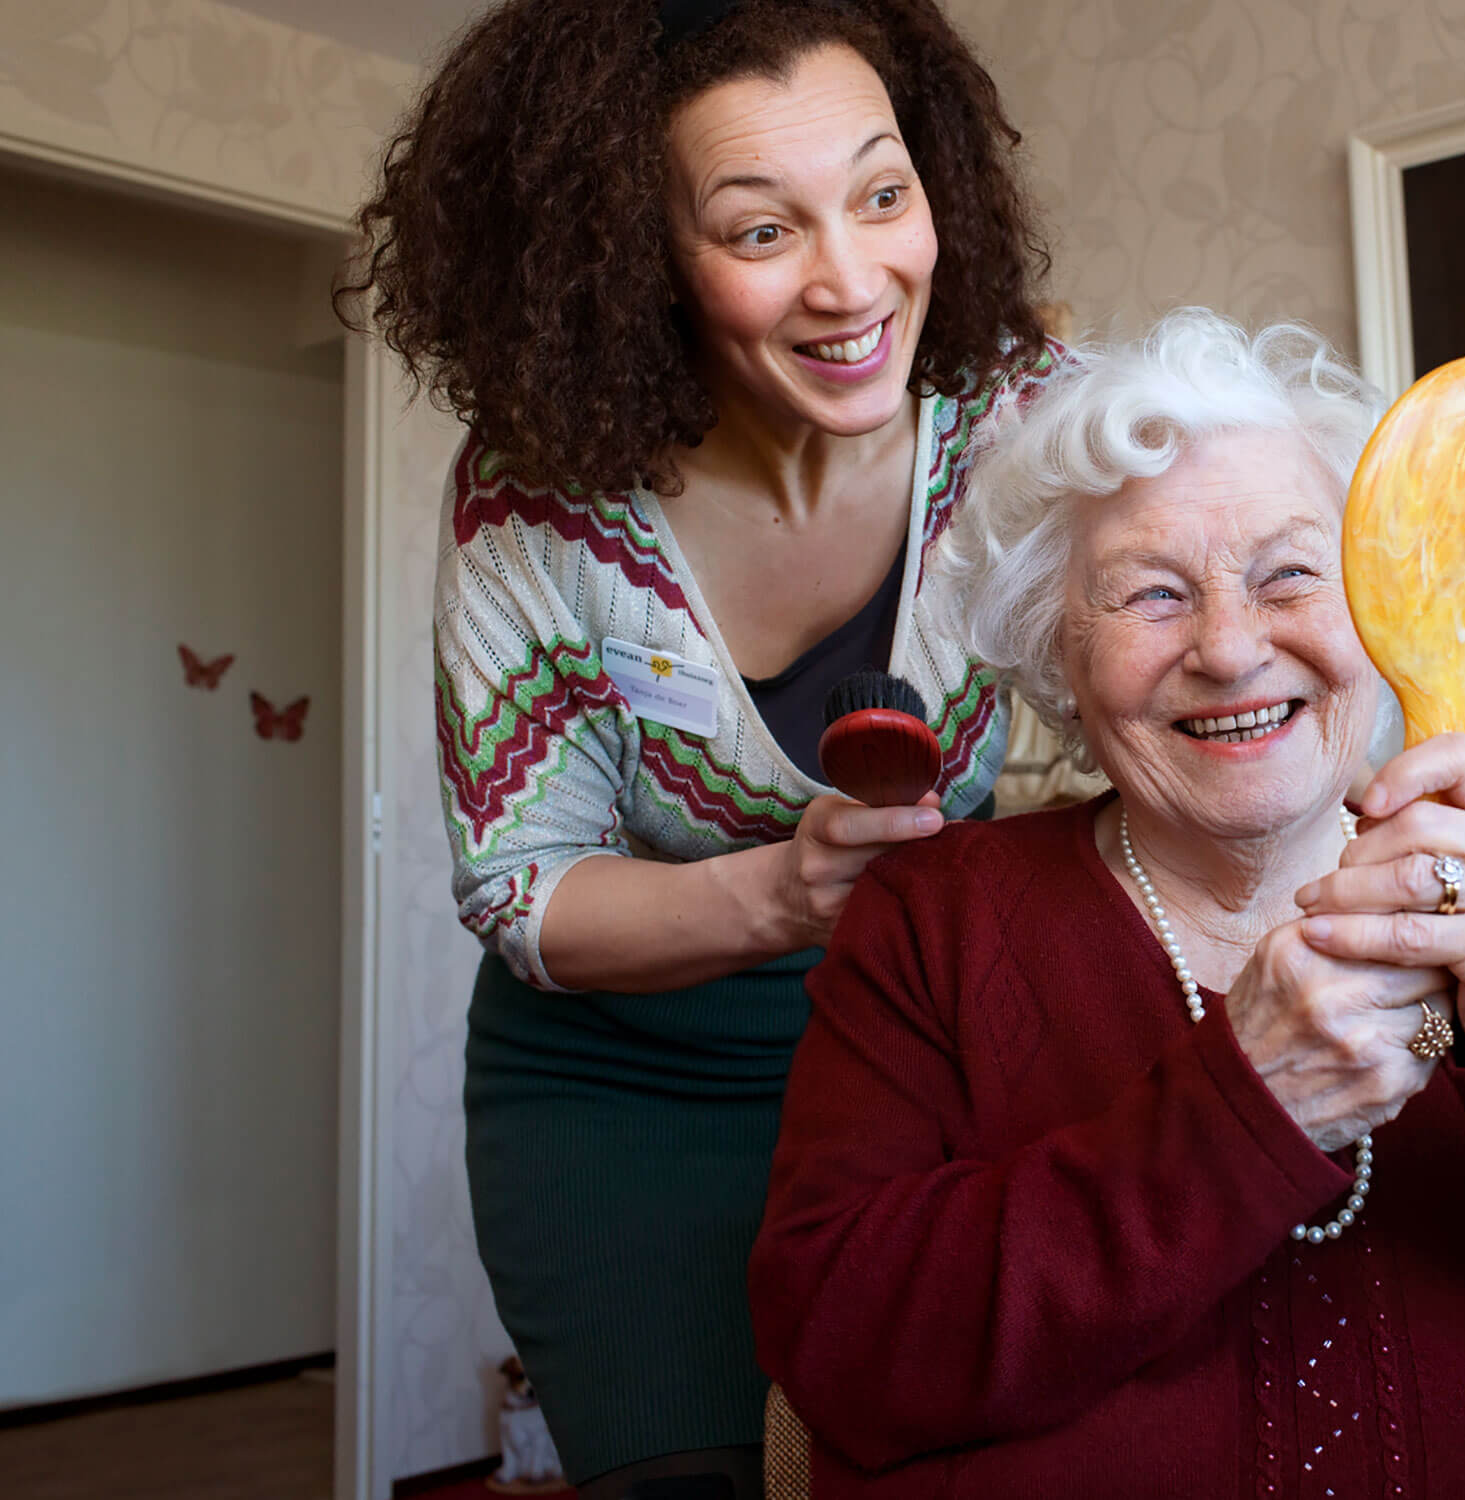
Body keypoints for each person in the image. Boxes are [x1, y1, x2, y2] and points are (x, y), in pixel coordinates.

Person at [749, 311, 1465, 1497]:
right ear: (1061, 653)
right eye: (1152, 596)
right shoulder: (935, 928)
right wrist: (1241, 1111)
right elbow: (838, 1352)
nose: (1231, 647)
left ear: (1383, 602)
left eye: (1292, 575)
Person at [340, 0, 1057, 1491]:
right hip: (624, 1104)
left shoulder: (1017, 423)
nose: (853, 281)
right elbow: (523, 891)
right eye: (758, 230)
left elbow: (1164, 667)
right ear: (634, 260)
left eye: (881, 193)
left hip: (921, 1054)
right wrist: (779, 900)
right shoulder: (539, 505)